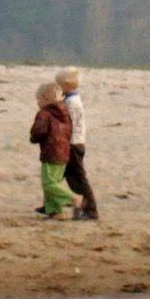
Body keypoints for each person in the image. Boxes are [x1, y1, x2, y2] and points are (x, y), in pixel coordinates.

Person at [29, 81, 77, 220]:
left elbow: (38, 131)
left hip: (51, 153)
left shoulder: (44, 114)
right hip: (64, 152)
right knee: (53, 181)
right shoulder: (65, 112)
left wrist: (34, 137)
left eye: (38, 99)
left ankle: (73, 199)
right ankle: (56, 211)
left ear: (45, 98)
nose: (37, 102)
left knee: (49, 184)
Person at [56, 67, 99, 219]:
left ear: (67, 85)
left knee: (79, 178)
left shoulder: (72, 103)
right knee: (65, 176)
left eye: (59, 84)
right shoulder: (70, 100)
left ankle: (91, 209)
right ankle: (55, 204)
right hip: (72, 143)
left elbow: (68, 124)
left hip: (73, 144)